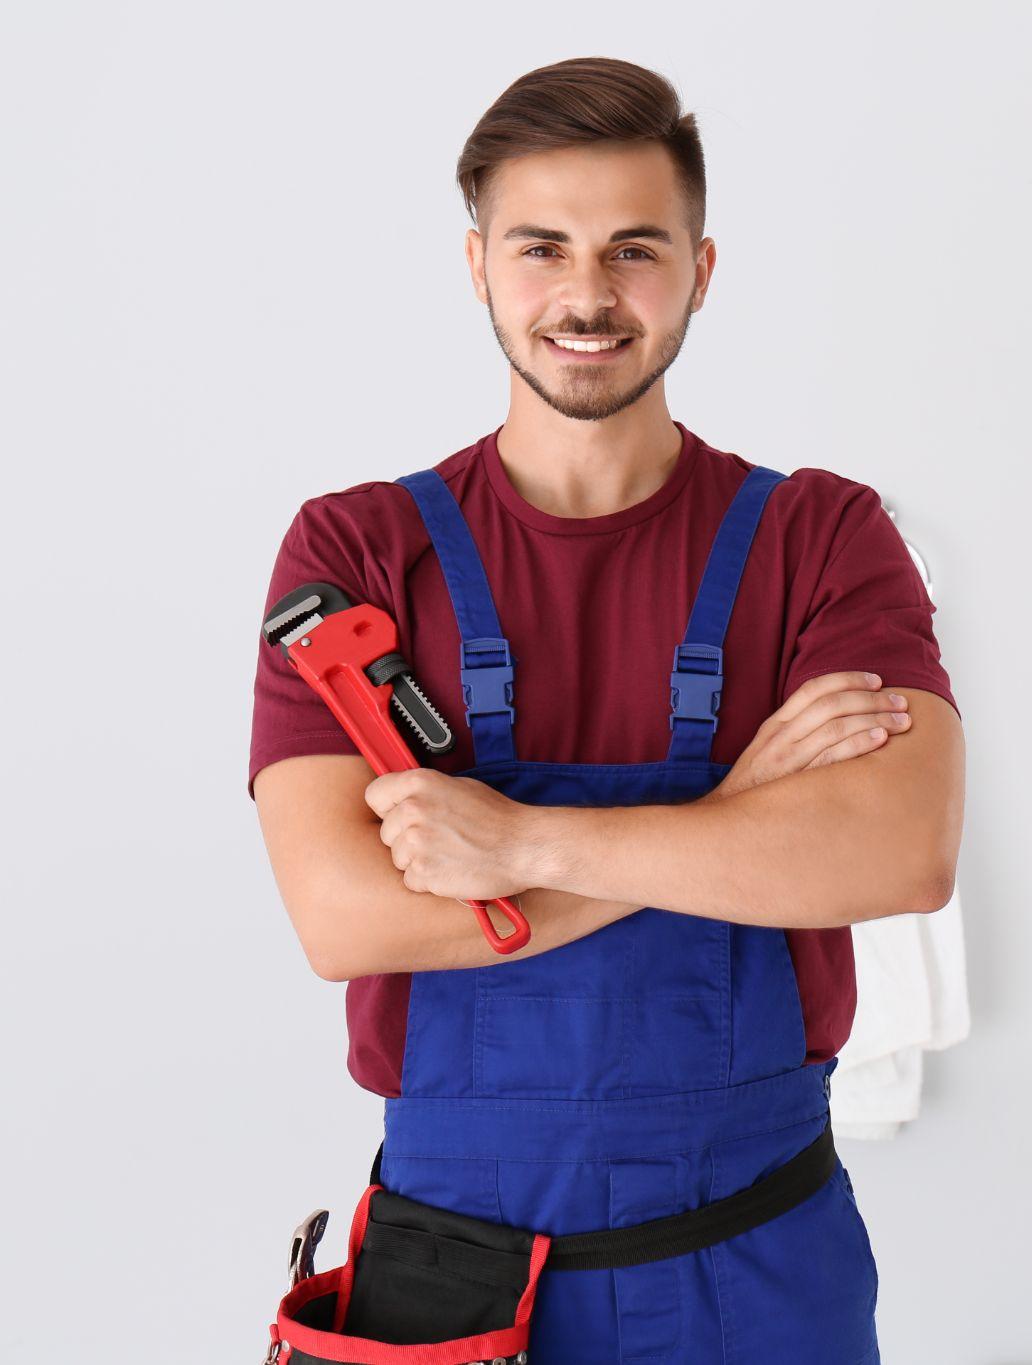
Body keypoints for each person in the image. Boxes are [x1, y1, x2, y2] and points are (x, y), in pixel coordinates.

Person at [247, 55, 964, 1363]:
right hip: (451, 1279)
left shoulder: (824, 537)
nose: (586, 294)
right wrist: (738, 818)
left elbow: (898, 853)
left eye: (635, 248)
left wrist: (517, 848)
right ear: (477, 265)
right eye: (542, 248)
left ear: (700, 266)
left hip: (760, 1267)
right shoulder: (352, 555)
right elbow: (344, 917)